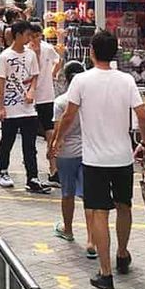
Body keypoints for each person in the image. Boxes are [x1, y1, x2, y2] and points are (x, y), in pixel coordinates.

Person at [51, 29, 145, 289]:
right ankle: (122, 253)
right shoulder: (126, 80)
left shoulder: (81, 81)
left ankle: (105, 273)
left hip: (94, 159)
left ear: (92, 52)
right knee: (124, 206)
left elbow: (69, 115)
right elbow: (143, 116)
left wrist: (57, 139)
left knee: (99, 212)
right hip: (122, 158)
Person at [0, 19, 49, 194]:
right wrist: (1, 107)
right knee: (7, 141)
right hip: (10, 108)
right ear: (17, 35)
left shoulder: (30, 54)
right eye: (27, 35)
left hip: (28, 108)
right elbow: (0, 81)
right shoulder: (5, 56)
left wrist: (32, 91)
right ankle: (2, 170)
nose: (29, 38)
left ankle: (32, 177)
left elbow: (35, 76)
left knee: (30, 145)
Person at [51, 61, 95, 256]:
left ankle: (68, 230)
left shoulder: (61, 101)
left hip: (66, 152)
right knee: (89, 196)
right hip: (88, 151)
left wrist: (52, 147)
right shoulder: (91, 99)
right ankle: (92, 240)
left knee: (67, 193)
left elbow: (58, 128)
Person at [30, 22, 62, 185]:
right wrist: (34, 52)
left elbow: (59, 60)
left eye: (38, 36)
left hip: (46, 97)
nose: (36, 39)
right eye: (33, 36)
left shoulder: (47, 48)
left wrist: (52, 74)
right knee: (30, 135)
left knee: (50, 133)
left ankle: (53, 168)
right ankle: (32, 169)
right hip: (29, 98)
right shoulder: (26, 51)